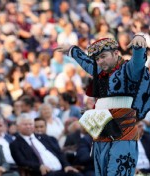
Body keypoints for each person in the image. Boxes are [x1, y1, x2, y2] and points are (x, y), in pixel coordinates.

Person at [57, 34, 149, 175]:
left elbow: (138, 62)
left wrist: (139, 45)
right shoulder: (100, 72)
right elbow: (87, 62)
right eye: (98, 58)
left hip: (122, 135)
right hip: (100, 134)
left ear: (116, 53)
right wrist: (72, 50)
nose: (100, 61)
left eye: (103, 56)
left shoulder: (128, 70)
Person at [10, 115, 81, 176]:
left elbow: (59, 153)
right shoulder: (15, 144)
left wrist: (67, 165)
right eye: (25, 124)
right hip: (42, 172)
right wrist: (39, 166)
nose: (28, 126)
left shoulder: (45, 138)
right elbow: (21, 161)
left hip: (62, 169)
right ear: (18, 127)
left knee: (77, 174)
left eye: (30, 124)